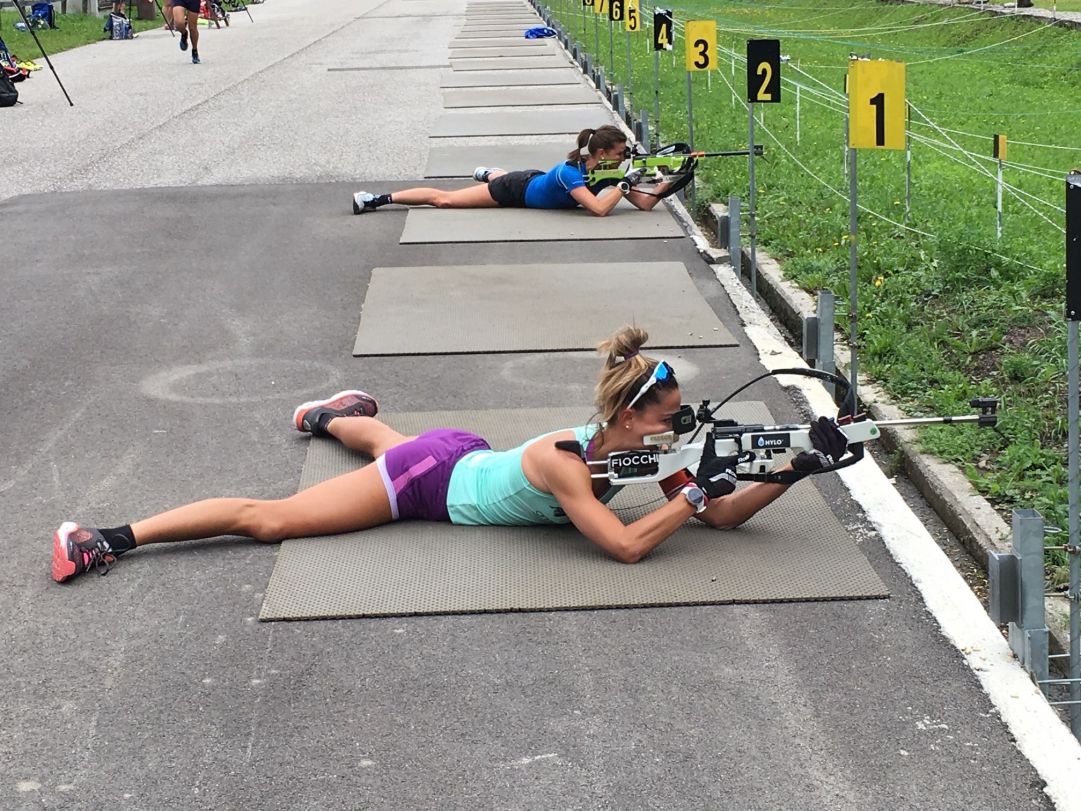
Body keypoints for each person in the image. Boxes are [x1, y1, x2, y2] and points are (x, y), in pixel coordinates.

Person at [51, 326, 848, 583]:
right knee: (271, 520)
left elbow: (723, 520)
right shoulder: (567, 461)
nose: (683, 427)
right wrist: (696, 493)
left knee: (386, 437)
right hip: (432, 482)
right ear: (633, 416)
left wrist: (793, 468)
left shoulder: (647, 454)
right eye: (671, 416)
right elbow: (628, 547)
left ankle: (335, 415)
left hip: (464, 452)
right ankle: (107, 535)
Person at [351, 125, 669, 218]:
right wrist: (627, 182)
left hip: (533, 183)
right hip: (515, 191)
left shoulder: (607, 172)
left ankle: (491, 172)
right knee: (444, 201)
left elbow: (644, 203)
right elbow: (600, 209)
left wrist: (672, 178)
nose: (624, 157)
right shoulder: (569, 173)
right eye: (620, 153)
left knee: (505, 176)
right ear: (601, 153)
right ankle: (375, 199)